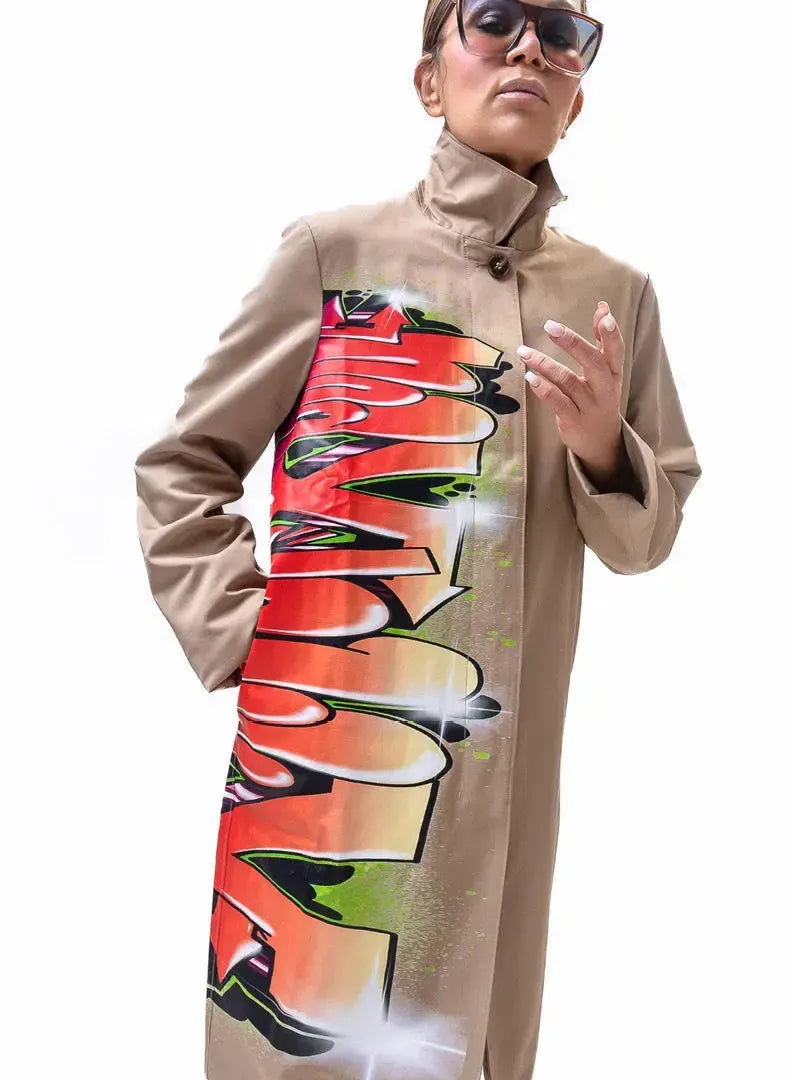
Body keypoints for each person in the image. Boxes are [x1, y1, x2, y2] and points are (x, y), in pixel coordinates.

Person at [133, 2, 702, 1078]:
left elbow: (644, 539)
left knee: (472, 1046)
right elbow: (183, 464)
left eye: (564, 32)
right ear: (429, 80)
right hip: (329, 765)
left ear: (578, 98)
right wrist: (256, 640)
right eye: (493, 19)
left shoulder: (615, 299)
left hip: (506, 781)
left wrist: (601, 446)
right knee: (308, 1032)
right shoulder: (333, 255)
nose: (531, 46)